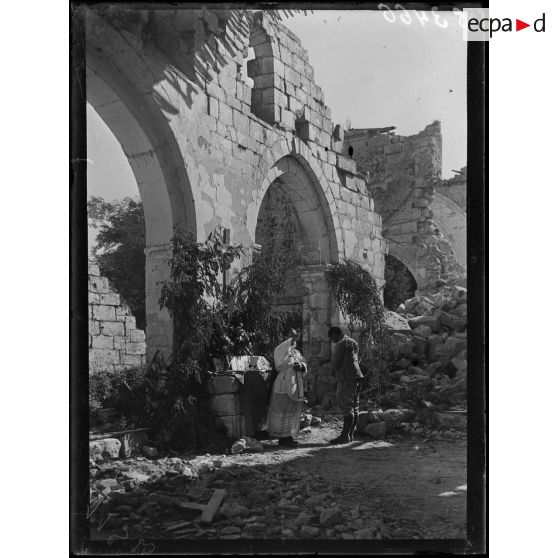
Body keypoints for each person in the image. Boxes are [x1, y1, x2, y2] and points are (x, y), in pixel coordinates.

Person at [267, 330, 307, 448]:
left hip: (295, 384)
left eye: (296, 338)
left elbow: (304, 363)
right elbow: (279, 364)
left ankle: (288, 435)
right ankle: (282, 437)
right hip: (283, 385)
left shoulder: (296, 353)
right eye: (292, 338)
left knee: (291, 410)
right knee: (282, 410)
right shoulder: (280, 352)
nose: (295, 340)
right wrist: (290, 364)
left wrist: (301, 366)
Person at [328, 326, 364, 444]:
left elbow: (335, 362)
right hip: (357, 377)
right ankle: (350, 434)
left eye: (331, 337)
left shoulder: (340, 344)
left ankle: (344, 436)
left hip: (346, 378)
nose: (332, 340)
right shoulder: (354, 342)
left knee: (346, 405)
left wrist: (331, 372)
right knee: (355, 405)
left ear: (336, 334)